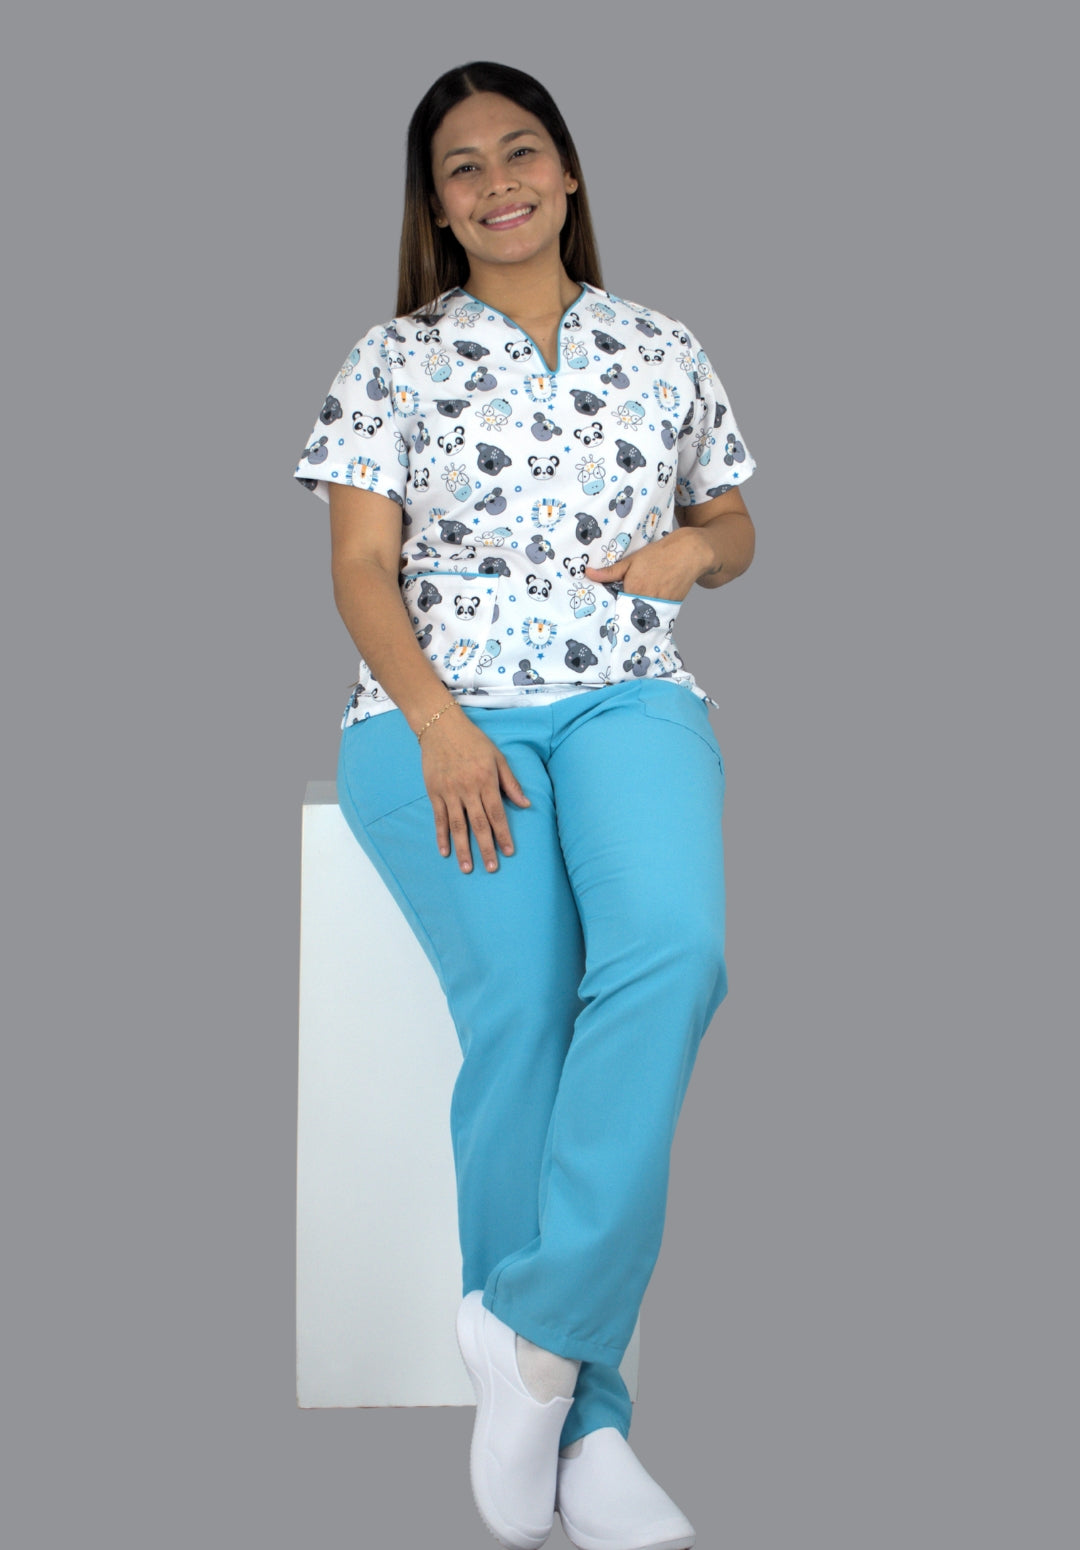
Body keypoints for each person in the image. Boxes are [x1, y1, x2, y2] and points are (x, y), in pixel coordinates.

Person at [293, 59, 757, 1550]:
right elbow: (360, 567)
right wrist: (438, 724)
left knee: (673, 954)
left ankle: (531, 1331)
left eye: (521, 152)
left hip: (626, 692)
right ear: (436, 207)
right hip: (440, 713)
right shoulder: (393, 359)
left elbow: (733, 515)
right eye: (463, 168)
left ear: (568, 172)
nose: (498, 184)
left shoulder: (661, 344)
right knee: (529, 1006)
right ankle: (592, 1421)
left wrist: (698, 553)